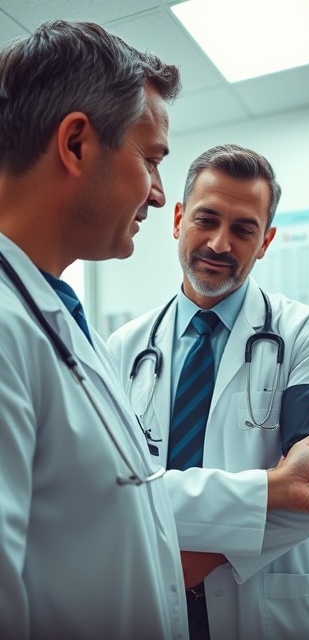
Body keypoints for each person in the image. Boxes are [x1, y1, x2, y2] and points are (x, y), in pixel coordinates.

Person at [108, 144, 309, 640]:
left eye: (242, 229)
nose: (218, 244)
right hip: (147, 596)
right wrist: (266, 492)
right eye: (206, 220)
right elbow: (113, 493)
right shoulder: (123, 348)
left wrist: (188, 564)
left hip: (262, 601)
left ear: (266, 240)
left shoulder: (307, 333)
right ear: (178, 219)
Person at [0, 20, 190, 640]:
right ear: (77, 144)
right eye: (152, 159)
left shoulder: (55, 314)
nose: (160, 196)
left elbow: (121, 496)